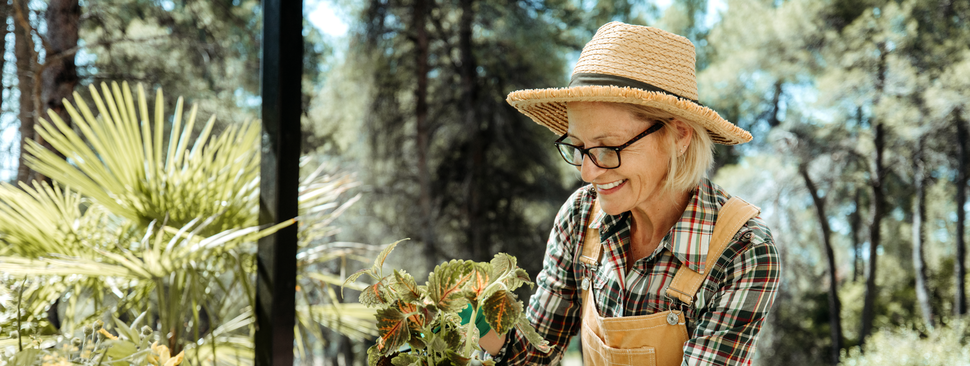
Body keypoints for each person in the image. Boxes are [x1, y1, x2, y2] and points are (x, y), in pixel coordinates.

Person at [479, 22, 781, 365]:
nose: (588, 172)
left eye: (609, 148)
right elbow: (531, 356)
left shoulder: (743, 250)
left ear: (679, 135)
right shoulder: (580, 217)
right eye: (578, 147)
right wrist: (467, 317)